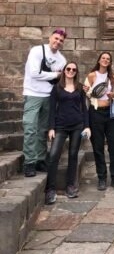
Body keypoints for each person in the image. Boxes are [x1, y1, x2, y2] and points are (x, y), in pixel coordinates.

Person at [22, 29, 67, 177]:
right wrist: (55, 74)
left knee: (43, 129)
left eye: (61, 40)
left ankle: (40, 159)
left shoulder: (62, 60)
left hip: (49, 95)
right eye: (56, 38)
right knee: (30, 127)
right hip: (32, 93)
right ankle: (29, 161)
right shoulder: (37, 51)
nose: (58, 42)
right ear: (50, 38)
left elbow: (61, 80)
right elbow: (34, 73)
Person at [45, 62, 91, 205]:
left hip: (77, 125)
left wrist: (87, 126)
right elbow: (52, 109)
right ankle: (50, 189)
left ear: (76, 72)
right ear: (64, 71)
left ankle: (70, 186)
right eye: (68, 69)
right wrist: (51, 128)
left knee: (73, 155)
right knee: (53, 155)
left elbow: (84, 108)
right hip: (60, 126)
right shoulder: (56, 88)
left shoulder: (79, 88)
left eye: (74, 69)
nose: (71, 71)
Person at [84, 52, 114, 191]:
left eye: (108, 59)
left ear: (110, 62)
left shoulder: (113, 78)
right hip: (95, 113)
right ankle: (102, 177)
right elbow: (86, 93)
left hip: (110, 114)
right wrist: (89, 91)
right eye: (103, 58)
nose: (105, 60)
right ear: (99, 60)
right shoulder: (91, 76)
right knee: (98, 147)